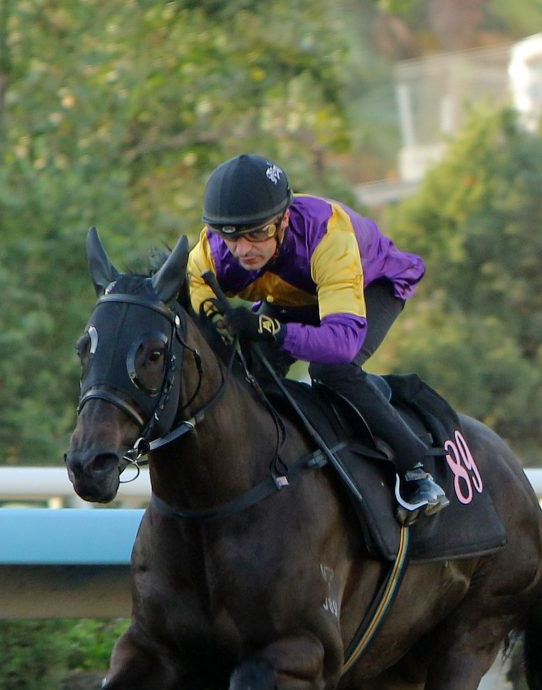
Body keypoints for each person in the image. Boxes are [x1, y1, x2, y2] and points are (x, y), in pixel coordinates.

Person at [188, 154, 449, 521]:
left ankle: (415, 470)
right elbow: (197, 293)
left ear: (284, 220)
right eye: (230, 235)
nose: (244, 249)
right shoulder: (210, 254)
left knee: (331, 370)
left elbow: (340, 343)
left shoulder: (328, 236)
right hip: (292, 295)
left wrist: (267, 329)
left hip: (370, 287)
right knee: (247, 373)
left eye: (258, 232)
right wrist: (220, 325)